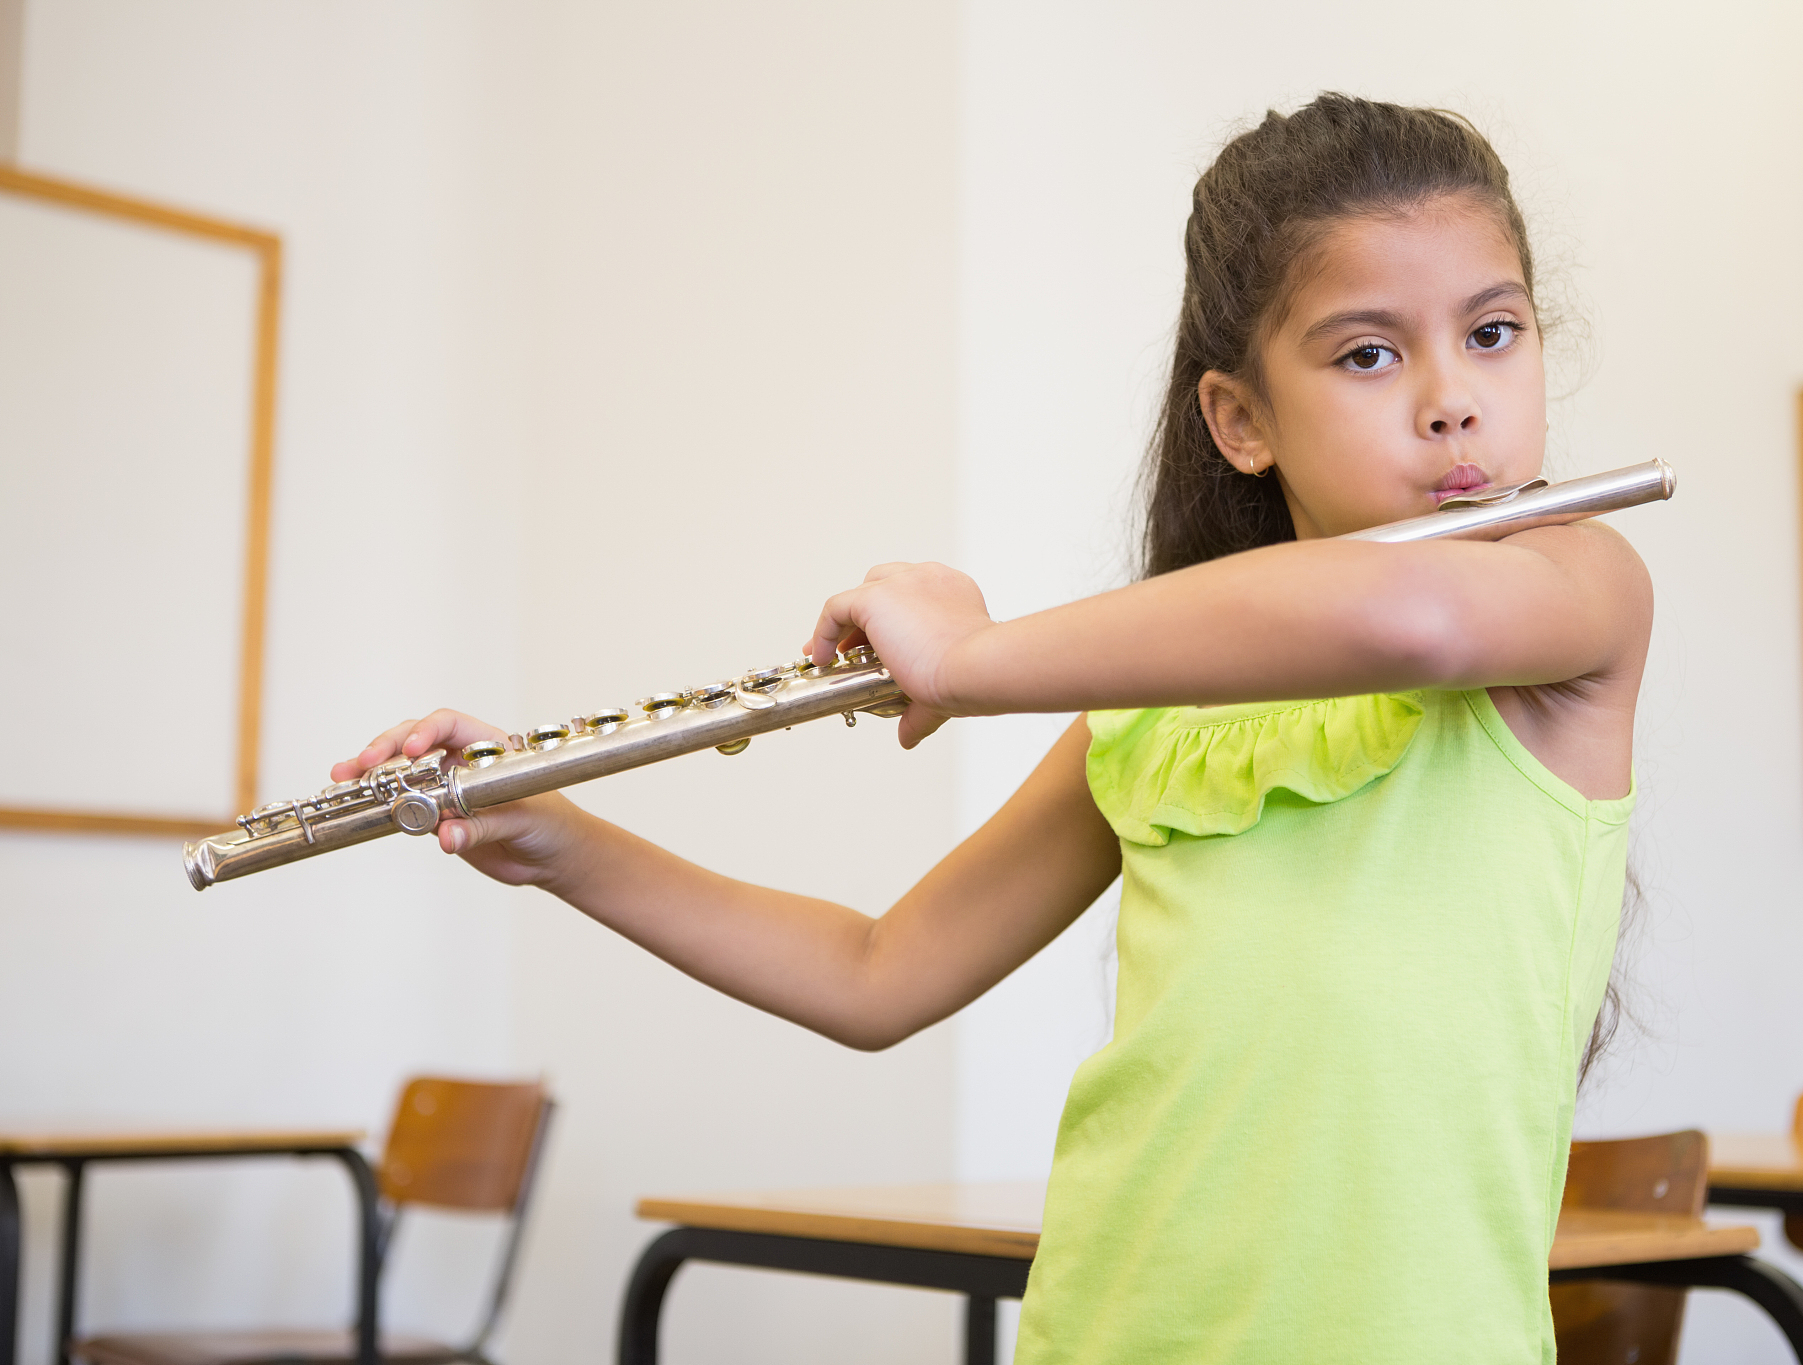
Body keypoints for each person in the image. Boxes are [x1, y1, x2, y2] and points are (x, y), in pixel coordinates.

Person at [338, 95, 1650, 1362]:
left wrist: (970, 659)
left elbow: (1412, 617)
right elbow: (875, 973)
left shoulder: (1576, 595)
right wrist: (561, 840)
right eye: (1369, 351)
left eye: (1493, 332)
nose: (1450, 398)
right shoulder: (1157, 714)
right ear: (1239, 420)